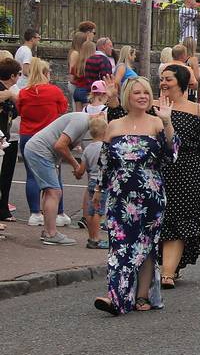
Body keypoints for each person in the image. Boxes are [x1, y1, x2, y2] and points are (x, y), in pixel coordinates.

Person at [93, 77, 177, 316]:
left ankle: (141, 296)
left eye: (146, 93)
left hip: (150, 196)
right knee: (119, 246)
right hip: (119, 196)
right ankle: (116, 297)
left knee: (145, 245)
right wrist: (99, 190)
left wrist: (168, 122)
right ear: (128, 96)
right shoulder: (114, 125)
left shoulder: (156, 124)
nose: (142, 96)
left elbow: (172, 154)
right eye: (137, 93)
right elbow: (105, 163)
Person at [156, 65, 200, 288]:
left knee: (181, 221)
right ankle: (169, 267)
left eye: (168, 79)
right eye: (162, 79)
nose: (163, 83)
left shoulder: (198, 110)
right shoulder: (152, 107)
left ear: (181, 81)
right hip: (160, 171)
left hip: (190, 172)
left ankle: (167, 273)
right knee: (162, 221)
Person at [23, 111, 93, 246]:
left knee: (50, 191)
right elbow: (60, 145)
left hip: (40, 151)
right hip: (40, 151)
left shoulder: (84, 123)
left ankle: (48, 231)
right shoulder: (82, 120)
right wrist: (76, 165)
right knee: (54, 191)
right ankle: (51, 233)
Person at [16, 59, 69, 228]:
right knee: (55, 175)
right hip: (49, 136)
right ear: (46, 73)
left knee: (31, 175)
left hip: (27, 135)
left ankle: (35, 213)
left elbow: (19, 110)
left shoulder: (24, 93)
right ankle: (58, 212)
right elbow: (63, 109)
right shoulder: (54, 91)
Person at [83, 117, 109, 249]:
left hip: (91, 181)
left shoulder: (88, 149)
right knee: (99, 212)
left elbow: (83, 167)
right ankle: (96, 238)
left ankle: (91, 236)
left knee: (91, 210)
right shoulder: (105, 148)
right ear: (105, 132)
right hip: (101, 182)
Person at [0, 59, 20, 223]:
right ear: (12, 76)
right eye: (19, 74)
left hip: (8, 138)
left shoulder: (11, 92)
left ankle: (3, 209)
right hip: (2, 139)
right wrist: (10, 95)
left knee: (6, 177)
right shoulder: (4, 91)